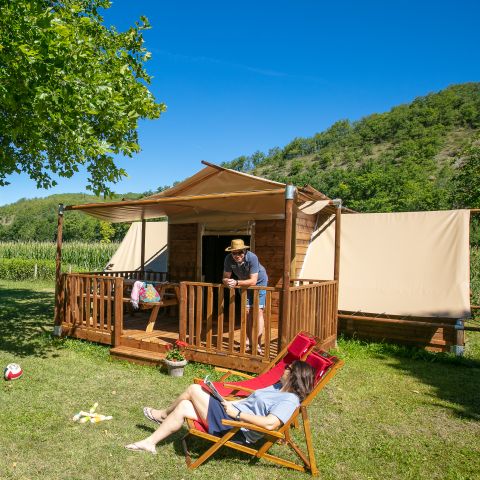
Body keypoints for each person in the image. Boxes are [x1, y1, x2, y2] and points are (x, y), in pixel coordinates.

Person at [125, 360, 316, 454]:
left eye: (288, 368)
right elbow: (251, 402)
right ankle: (150, 443)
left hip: (237, 428)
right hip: (231, 415)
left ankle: (162, 415)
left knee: (193, 389)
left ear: (295, 376)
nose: (285, 368)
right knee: (184, 405)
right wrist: (230, 403)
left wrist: (238, 414)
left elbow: (270, 424)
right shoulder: (277, 387)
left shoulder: (289, 400)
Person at [222, 239, 268, 354]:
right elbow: (225, 277)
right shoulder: (228, 259)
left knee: (258, 312)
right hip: (243, 284)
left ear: (245, 251)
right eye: (234, 253)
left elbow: (253, 281)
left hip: (259, 283)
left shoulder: (252, 257)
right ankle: (248, 342)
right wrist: (227, 282)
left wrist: (236, 282)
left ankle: (257, 343)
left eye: (240, 252)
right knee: (247, 312)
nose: (237, 255)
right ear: (231, 253)